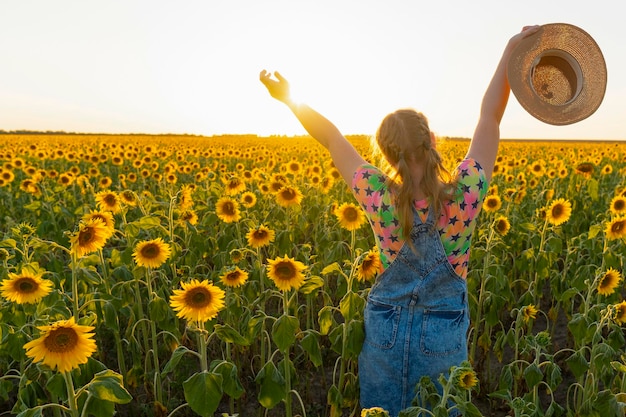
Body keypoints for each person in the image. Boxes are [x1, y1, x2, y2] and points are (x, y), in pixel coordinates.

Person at [260, 25, 541, 417]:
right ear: (432, 142)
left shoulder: (377, 194)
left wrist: (289, 99)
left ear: (388, 155)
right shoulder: (466, 193)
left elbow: (332, 138)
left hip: (384, 338)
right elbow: (489, 117)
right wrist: (511, 50)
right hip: (441, 340)